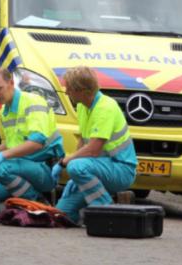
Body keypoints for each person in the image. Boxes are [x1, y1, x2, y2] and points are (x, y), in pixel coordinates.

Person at [54, 66, 137, 223]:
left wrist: (65, 162)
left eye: (69, 89)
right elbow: (82, 142)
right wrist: (74, 179)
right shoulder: (82, 106)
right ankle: (88, 213)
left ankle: (105, 210)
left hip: (121, 169)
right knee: (61, 214)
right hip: (101, 168)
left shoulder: (105, 108)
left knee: (76, 167)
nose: (66, 93)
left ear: (83, 91)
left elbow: (93, 149)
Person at [0, 68, 64, 204]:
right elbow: (11, 145)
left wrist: (1, 156)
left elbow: (36, 142)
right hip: (20, 168)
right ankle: (23, 200)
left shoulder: (32, 102)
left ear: (11, 83)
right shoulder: (5, 111)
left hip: (44, 168)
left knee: (0, 168)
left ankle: (37, 202)